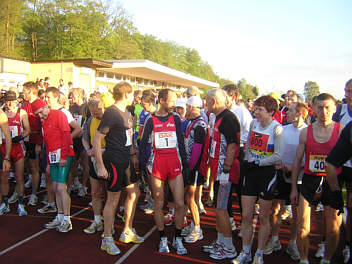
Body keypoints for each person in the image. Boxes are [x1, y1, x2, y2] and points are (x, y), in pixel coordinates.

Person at [290, 93, 342, 264]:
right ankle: (304, 259)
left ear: (334, 109)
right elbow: (297, 160)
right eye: (320, 107)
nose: (323, 111)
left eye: (327, 107)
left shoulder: (341, 131)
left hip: (332, 182)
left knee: (333, 228)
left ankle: (327, 259)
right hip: (309, 180)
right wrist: (293, 188)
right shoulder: (306, 132)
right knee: (303, 226)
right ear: (313, 109)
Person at [93, 82, 143, 256]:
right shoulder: (112, 113)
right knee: (113, 199)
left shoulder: (128, 113)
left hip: (126, 160)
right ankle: (107, 238)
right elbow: (97, 139)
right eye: (133, 94)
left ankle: (127, 230)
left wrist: (133, 155)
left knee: (134, 192)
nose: (135, 97)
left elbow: (128, 137)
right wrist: (100, 166)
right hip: (113, 160)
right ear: (126, 94)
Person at [232, 95, 284, 264]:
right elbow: (248, 146)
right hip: (251, 172)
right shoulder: (254, 123)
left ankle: (259, 252)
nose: (256, 112)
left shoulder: (277, 128)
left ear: (271, 112)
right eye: (255, 108)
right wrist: (248, 159)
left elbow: (278, 155)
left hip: (266, 174)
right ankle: (245, 251)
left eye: (260, 109)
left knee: (263, 217)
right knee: (246, 215)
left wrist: (259, 161)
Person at [139, 88, 188, 255]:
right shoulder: (150, 120)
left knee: (180, 203)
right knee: (159, 203)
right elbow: (143, 142)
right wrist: (141, 166)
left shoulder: (176, 118)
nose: (175, 104)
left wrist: (186, 165)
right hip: (157, 164)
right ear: (161, 100)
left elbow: (181, 142)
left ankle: (178, 238)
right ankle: (162, 237)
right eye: (172, 101)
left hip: (174, 162)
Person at [263, 102, 308, 260]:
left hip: (300, 177)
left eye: (290, 110)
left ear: (299, 114)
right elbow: (276, 148)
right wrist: (279, 162)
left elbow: (309, 156)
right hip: (281, 174)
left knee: (296, 213)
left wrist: (295, 166)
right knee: (276, 208)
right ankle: (275, 239)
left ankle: (293, 243)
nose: (286, 113)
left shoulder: (307, 132)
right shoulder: (283, 129)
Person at [199, 89, 240, 260]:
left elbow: (232, 145)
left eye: (207, 101)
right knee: (218, 207)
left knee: (222, 209)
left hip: (225, 172)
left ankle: (229, 247)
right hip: (218, 170)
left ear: (214, 101)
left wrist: (226, 169)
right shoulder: (218, 117)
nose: (205, 104)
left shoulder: (228, 118)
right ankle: (221, 241)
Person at [32, 99, 75, 233]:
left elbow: (66, 135)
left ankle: (67, 220)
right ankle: (60, 216)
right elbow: (48, 142)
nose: (40, 116)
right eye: (37, 114)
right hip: (53, 157)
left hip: (63, 155)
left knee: (61, 188)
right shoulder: (44, 121)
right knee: (56, 187)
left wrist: (63, 156)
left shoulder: (59, 115)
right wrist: (50, 163)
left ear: (46, 107)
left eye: (40, 113)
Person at [331, 78, 352, 263]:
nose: (347, 95)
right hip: (339, 165)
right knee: (335, 206)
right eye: (346, 91)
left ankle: (347, 245)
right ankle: (328, 241)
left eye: (351, 91)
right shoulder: (340, 111)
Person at [0, 91, 30, 216]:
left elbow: (28, 129)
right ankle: (5, 203)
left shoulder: (21, 113)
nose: (10, 103)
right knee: (4, 178)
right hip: (4, 147)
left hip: (17, 148)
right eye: (7, 100)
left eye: (12, 100)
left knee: (19, 177)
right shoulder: (2, 113)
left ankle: (20, 203)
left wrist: (21, 137)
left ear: (16, 100)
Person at [183, 96, 207, 243]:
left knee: (191, 198)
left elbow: (197, 150)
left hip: (195, 168)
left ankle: (197, 228)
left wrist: (190, 168)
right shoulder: (193, 122)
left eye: (187, 106)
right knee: (188, 197)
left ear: (191, 107)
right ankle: (193, 224)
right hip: (191, 167)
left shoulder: (200, 125)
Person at [82, 96, 106, 234]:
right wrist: (88, 150)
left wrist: (101, 150)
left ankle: (109, 220)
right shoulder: (91, 120)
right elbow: (85, 137)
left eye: (96, 112)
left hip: (107, 158)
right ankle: (97, 220)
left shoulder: (109, 120)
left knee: (110, 192)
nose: (94, 115)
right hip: (94, 159)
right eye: (91, 112)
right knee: (95, 191)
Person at [21, 81, 43, 206]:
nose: (23, 94)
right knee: (26, 165)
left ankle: (34, 194)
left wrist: (39, 143)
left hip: (35, 139)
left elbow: (43, 125)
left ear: (30, 91)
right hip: (26, 139)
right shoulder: (25, 104)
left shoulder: (39, 104)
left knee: (35, 167)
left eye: (24, 91)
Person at [0, 108, 13, 214]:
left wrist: (7, 157)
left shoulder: (1, 114)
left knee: (3, 179)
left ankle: (4, 202)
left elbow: (8, 136)